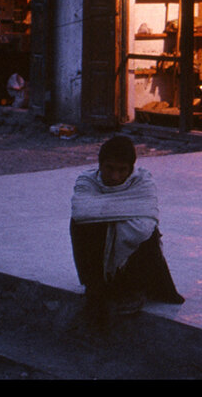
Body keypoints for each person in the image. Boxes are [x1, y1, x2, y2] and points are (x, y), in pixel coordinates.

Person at [69, 135, 184, 317]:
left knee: (145, 228)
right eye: (110, 168)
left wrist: (106, 212)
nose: (115, 177)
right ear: (100, 165)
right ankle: (96, 286)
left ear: (131, 169)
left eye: (122, 170)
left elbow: (148, 214)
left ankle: (134, 289)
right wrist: (118, 213)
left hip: (134, 263)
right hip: (96, 255)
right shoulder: (87, 182)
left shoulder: (143, 182)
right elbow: (82, 212)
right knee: (82, 223)